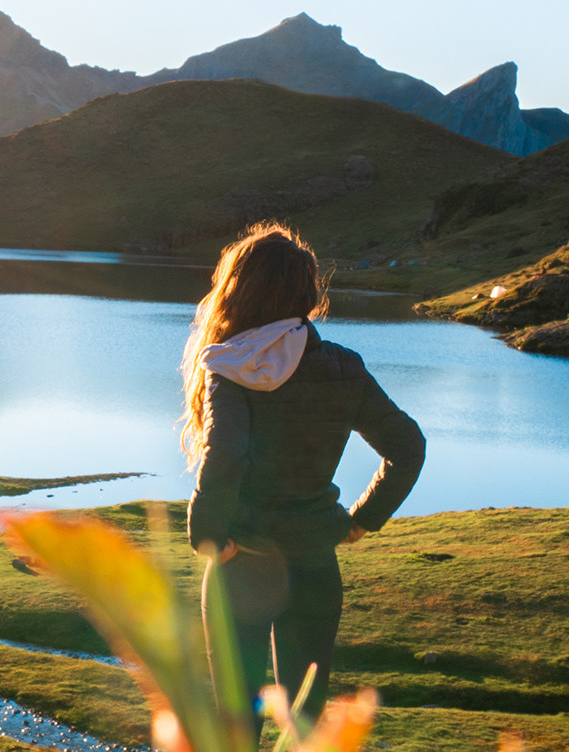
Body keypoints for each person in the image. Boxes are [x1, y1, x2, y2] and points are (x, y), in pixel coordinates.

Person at [181, 221, 425, 729]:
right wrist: (362, 520)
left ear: (237, 289)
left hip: (242, 566)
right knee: (306, 726)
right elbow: (408, 448)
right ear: (308, 294)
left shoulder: (230, 367)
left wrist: (206, 535)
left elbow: (225, 455)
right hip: (315, 567)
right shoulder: (344, 366)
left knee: (235, 725)